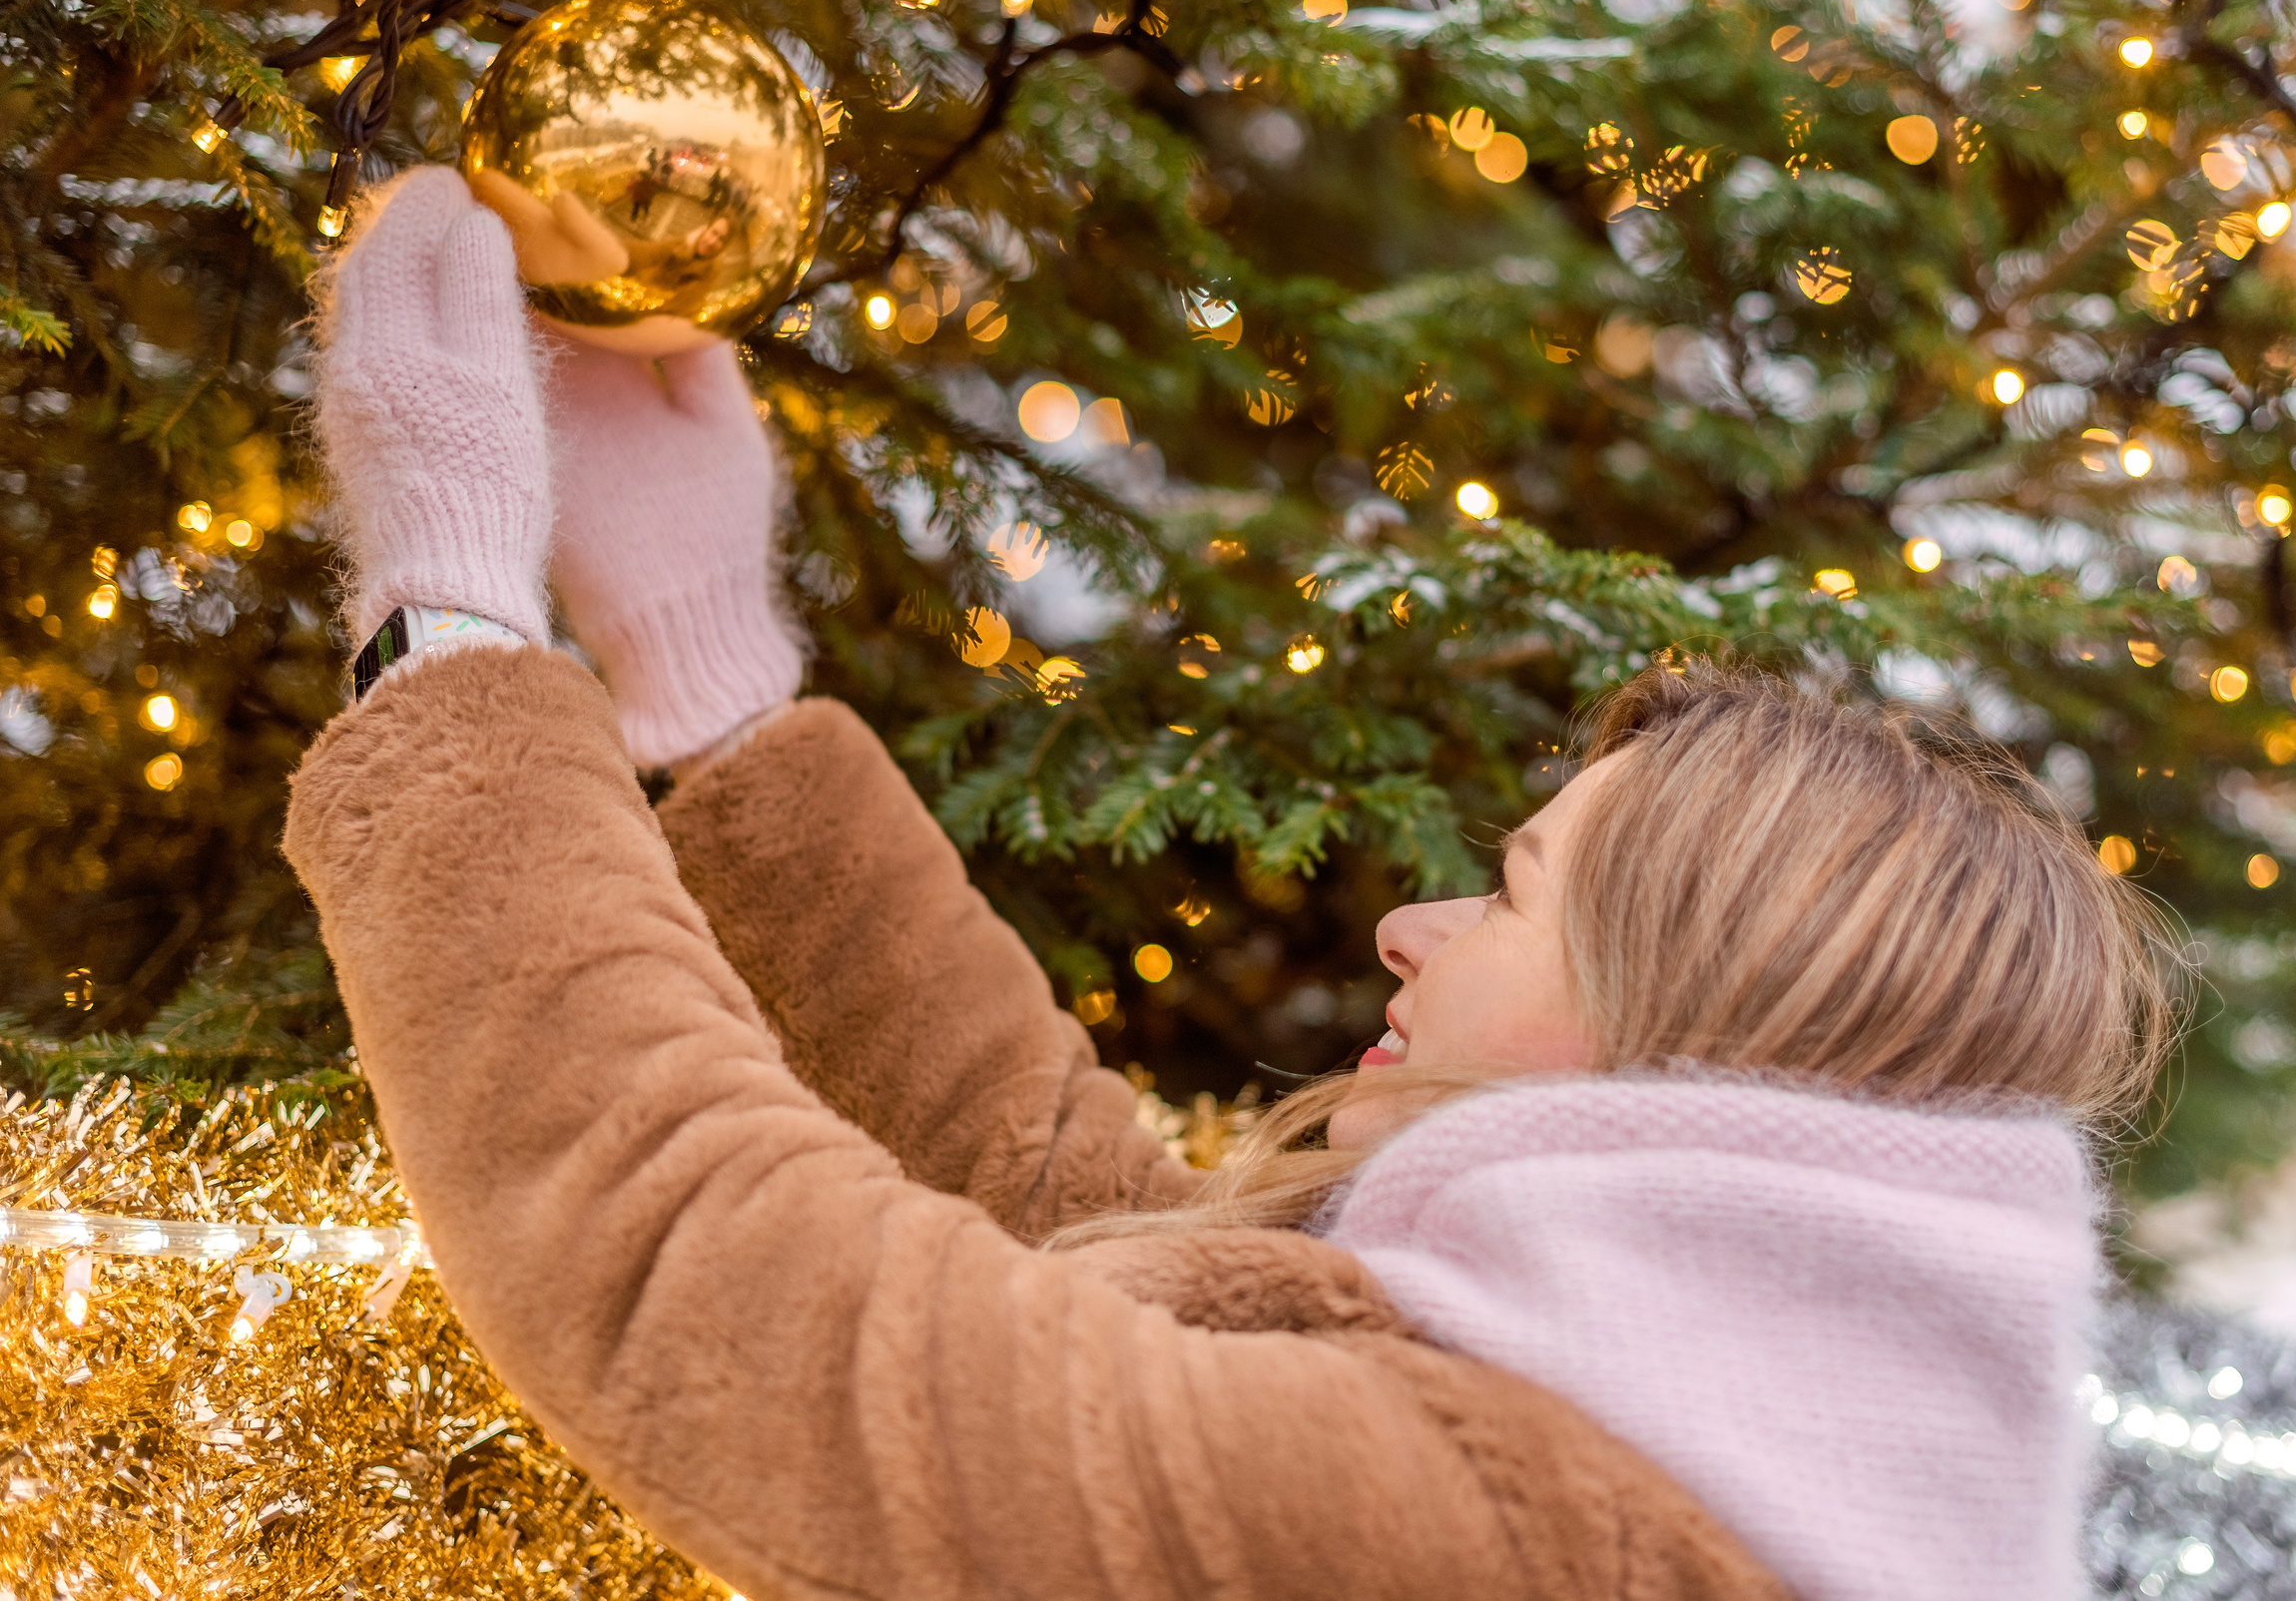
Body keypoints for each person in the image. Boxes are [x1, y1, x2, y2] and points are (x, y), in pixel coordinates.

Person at [288, 169, 2176, 1601]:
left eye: (1514, 898)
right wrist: (705, 675)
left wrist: (452, 628)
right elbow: (1099, 1234)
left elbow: (741, 1289)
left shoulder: (1501, 1533)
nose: (1410, 927)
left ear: (1686, 1039)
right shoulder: (1671, 1453)